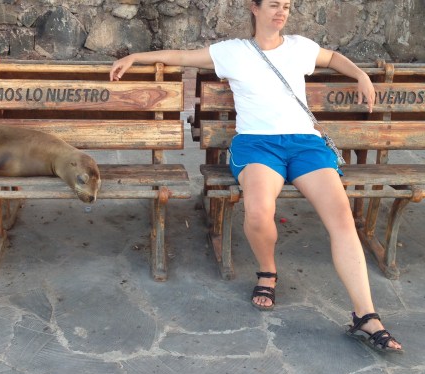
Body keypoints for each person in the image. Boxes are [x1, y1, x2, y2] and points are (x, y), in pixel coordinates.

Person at [110, 0, 402, 352]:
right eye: (275, 5)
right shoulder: (233, 52)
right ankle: (267, 271)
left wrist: (361, 74)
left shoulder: (300, 47)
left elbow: (332, 58)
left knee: (341, 217)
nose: (282, 12)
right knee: (260, 213)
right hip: (257, 146)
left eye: (288, 7)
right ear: (255, 8)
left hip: (305, 145)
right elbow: (183, 56)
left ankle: (366, 316)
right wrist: (136, 57)